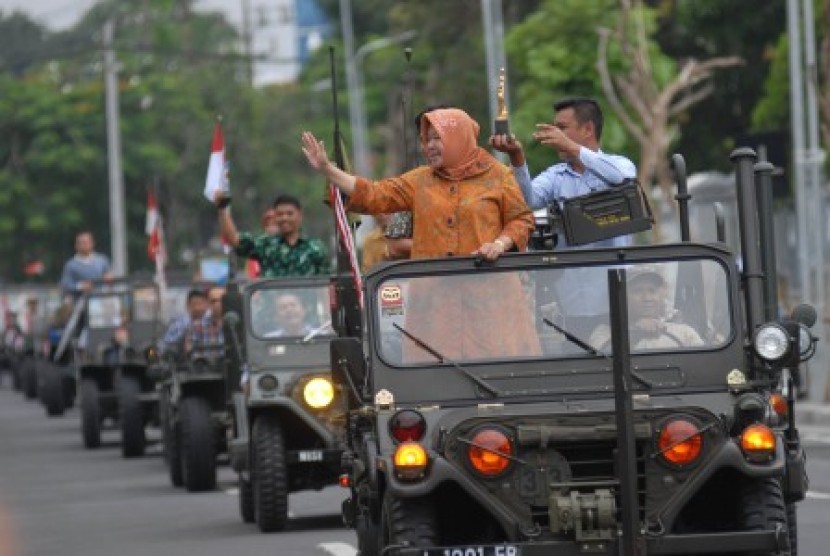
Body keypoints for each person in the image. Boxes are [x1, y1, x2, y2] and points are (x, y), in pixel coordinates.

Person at [302, 107, 540, 361]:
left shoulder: (499, 175)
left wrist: (500, 244)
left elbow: (522, 219)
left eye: (438, 138)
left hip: (491, 301)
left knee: (498, 370)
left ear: (459, 137)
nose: (430, 146)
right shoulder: (419, 180)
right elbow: (374, 194)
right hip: (435, 306)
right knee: (433, 377)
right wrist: (327, 169)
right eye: (426, 140)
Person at [490, 97, 637, 249]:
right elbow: (528, 202)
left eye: (562, 128)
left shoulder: (620, 164)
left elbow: (620, 178)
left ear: (588, 130)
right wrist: (517, 157)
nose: (556, 134)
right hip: (570, 271)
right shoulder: (555, 176)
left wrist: (571, 146)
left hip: (613, 270)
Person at [588, 266, 704, 351]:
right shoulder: (605, 333)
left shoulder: (684, 333)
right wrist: (636, 332)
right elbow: (601, 362)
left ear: (661, 294)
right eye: (637, 291)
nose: (647, 298)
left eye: (652, 291)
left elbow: (702, 366)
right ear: (623, 297)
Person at [215, 193, 329, 277]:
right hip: (271, 307)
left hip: (306, 308)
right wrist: (222, 209)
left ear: (300, 216)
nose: (284, 218)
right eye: (280, 214)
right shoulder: (265, 244)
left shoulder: (315, 248)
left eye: (290, 214)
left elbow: (326, 285)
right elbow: (234, 240)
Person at [60, 231, 112, 297]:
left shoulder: (102, 260)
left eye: (87, 242)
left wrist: (108, 278)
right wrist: (80, 286)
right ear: (76, 245)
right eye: (81, 243)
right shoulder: (71, 265)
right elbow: (65, 284)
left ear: (92, 243)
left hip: (102, 297)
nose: (85, 245)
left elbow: (108, 276)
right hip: (81, 298)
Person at [159, 288, 209, 355]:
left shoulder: (211, 322)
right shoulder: (179, 324)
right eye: (194, 304)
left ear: (206, 305)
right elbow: (164, 345)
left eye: (200, 304)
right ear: (187, 305)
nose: (197, 308)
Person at [184, 286, 225, 358]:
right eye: (213, 301)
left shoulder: (236, 325)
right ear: (208, 303)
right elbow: (191, 351)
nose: (217, 304)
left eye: (221, 300)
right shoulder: (196, 326)